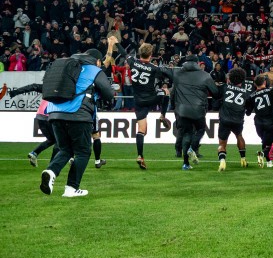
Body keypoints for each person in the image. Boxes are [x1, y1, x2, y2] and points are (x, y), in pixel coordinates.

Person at [39, 47, 115, 197]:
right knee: (83, 151)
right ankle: (71, 188)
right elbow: (108, 94)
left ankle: (50, 171)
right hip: (77, 114)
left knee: (65, 149)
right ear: (98, 61)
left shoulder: (69, 66)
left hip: (54, 113)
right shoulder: (93, 70)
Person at [160, 55, 221, 170]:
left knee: (186, 134)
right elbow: (216, 94)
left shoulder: (177, 74)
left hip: (182, 110)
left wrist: (173, 106)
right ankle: (192, 149)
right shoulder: (205, 75)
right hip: (198, 110)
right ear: (197, 63)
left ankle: (186, 164)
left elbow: (164, 72)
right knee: (201, 130)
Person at [123, 41, 168, 170]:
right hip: (152, 98)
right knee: (166, 92)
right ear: (151, 54)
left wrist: (116, 43)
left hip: (138, 101)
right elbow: (165, 76)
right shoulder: (154, 68)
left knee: (141, 131)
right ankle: (162, 115)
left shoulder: (133, 62)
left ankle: (140, 156)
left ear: (139, 52)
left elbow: (123, 53)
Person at [215, 67, 250, 171]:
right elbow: (248, 108)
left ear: (230, 78)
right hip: (238, 120)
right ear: (242, 79)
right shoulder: (246, 93)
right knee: (239, 136)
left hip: (225, 119)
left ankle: (222, 161)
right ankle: (243, 159)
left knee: (222, 142)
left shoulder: (224, 87)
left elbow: (217, 99)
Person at [247, 75, 273, 168]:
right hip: (270, 120)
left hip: (258, 122)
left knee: (265, 142)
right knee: (271, 143)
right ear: (264, 82)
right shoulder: (271, 91)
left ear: (254, 84)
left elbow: (248, 113)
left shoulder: (251, 96)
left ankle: (268, 162)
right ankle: (263, 154)